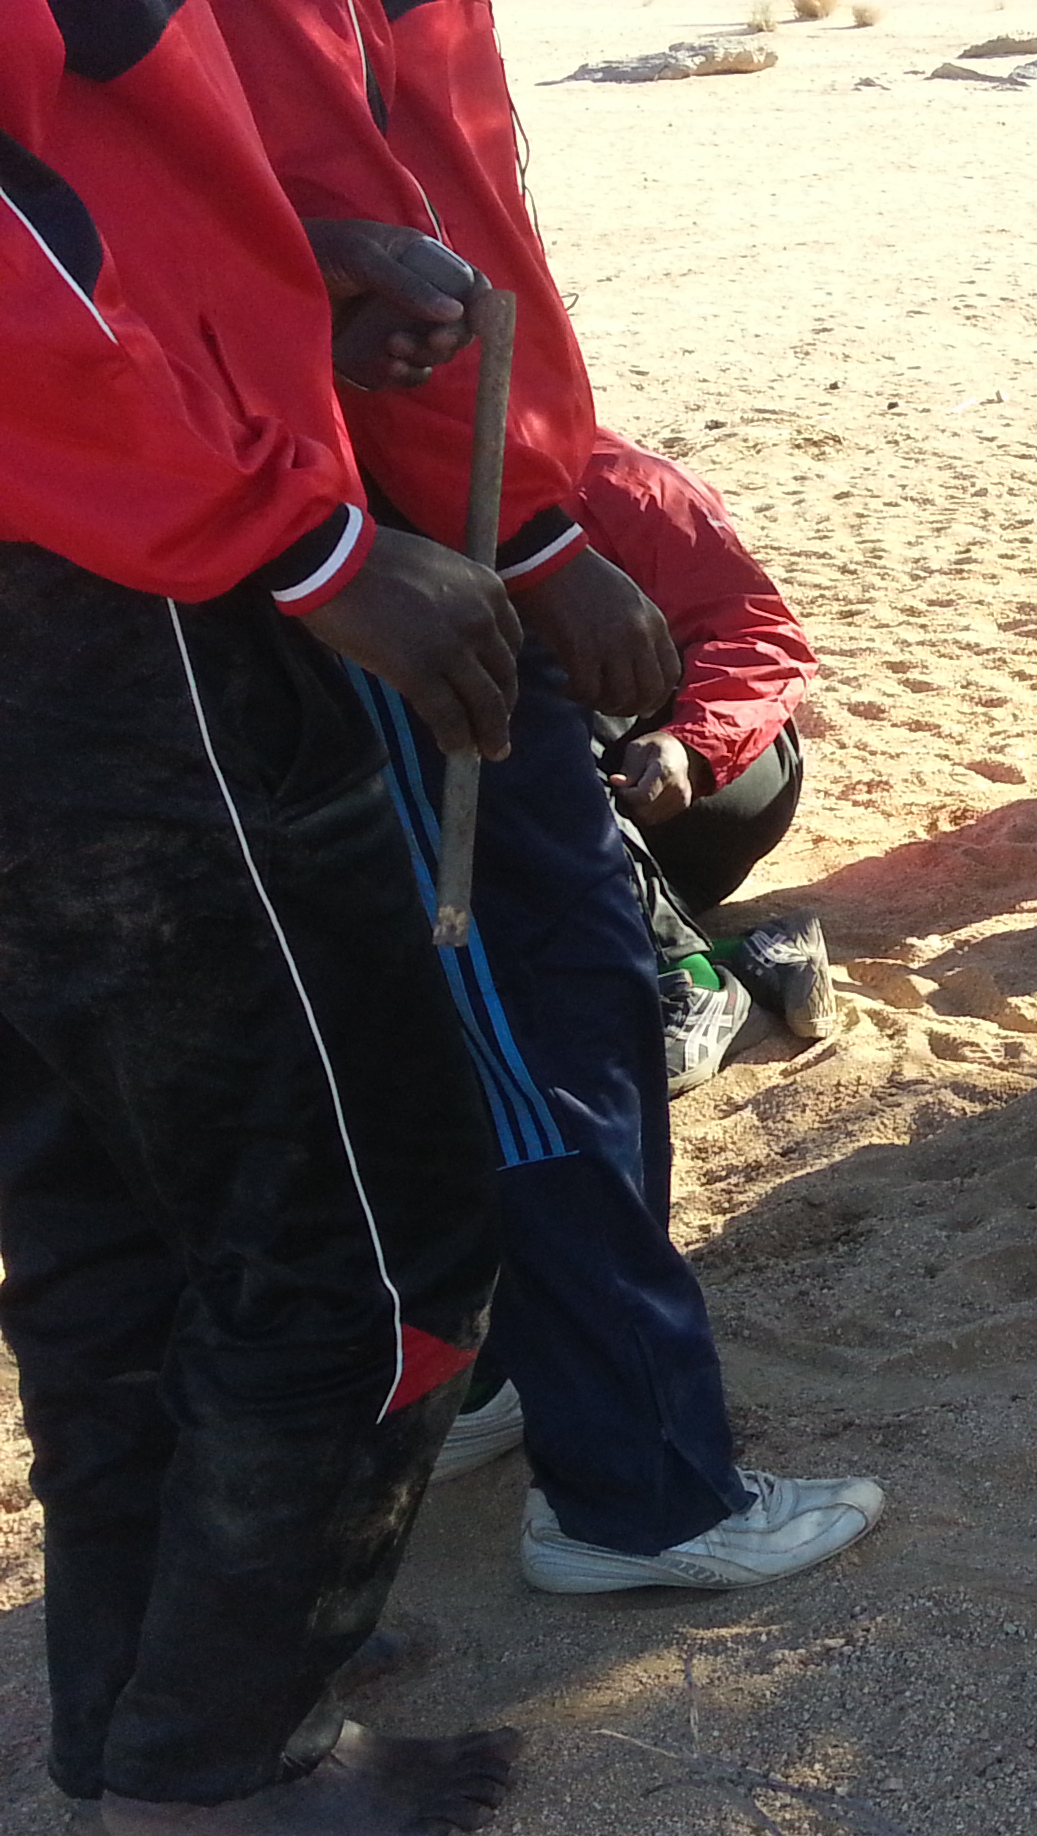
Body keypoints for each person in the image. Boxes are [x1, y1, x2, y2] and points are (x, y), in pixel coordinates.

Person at [213, 0, 886, 1593]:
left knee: (537, 997)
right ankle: (635, 1487)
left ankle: (515, 1369)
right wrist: (526, 540)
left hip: (418, 525)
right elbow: (335, 249)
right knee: (543, 1014)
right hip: (399, 558)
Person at [1, 0, 527, 1825]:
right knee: (370, 1236)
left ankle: (147, 1743)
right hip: (113, 609)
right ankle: (210, 1784)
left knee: (122, 1234)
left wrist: (283, 261)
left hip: (100, 573)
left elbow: (73, 166)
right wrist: (294, 541)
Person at [571, 428, 836, 1088]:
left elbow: (763, 640)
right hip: (571, 822)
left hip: (703, 773)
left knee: (544, 724)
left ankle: (689, 979)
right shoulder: (368, 486)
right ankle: (756, 958)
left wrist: (691, 744)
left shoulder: (619, 480)